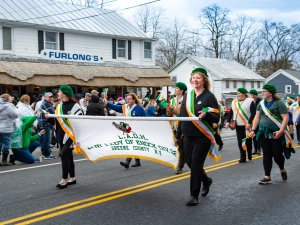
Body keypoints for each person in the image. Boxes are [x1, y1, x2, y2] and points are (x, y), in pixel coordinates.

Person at [176, 68, 220, 206]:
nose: (195, 80)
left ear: (204, 81)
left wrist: (206, 115)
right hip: (187, 135)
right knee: (189, 162)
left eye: (198, 78)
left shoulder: (209, 96)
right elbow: (182, 116)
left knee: (196, 164)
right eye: (193, 77)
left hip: (202, 136)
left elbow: (217, 117)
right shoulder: (188, 95)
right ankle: (206, 180)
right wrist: (178, 135)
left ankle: (193, 195)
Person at [249, 84, 293, 184]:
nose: (262, 93)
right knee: (267, 154)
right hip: (264, 132)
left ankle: (282, 168)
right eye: (262, 91)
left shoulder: (279, 103)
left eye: (264, 91)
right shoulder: (261, 104)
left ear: (271, 93)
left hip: (275, 132)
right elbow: (257, 117)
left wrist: (281, 131)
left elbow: (285, 118)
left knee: (277, 155)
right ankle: (267, 177)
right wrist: (253, 130)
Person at [47, 85, 83, 189]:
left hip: (71, 136)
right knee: (69, 157)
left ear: (65, 94)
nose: (57, 93)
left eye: (59, 92)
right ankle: (72, 178)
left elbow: (80, 122)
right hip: (60, 134)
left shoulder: (75, 106)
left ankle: (64, 180)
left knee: (63, 155)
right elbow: (56, 122)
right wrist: (49, 117)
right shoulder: (59, 106)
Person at [104, 93, 146, 168]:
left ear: (134, 100)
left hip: (137, 130)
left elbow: (145, 119)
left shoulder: (139, 109)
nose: (127, 100)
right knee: (133, 145)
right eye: (127, 99)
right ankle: (137, 161)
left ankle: (127, 162)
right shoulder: (125, 107)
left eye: (129, 99)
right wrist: (107, 103)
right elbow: (116, 107)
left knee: (131, 145)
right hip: (127, 130)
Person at [225, 88, 256, 163]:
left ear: (244, 94)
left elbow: (253, 113)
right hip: (238, 125)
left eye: (240, 93)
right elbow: (231, 112)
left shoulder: (250, 101)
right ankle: (243, 157)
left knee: (248, 140)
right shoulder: (234, 102)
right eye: (237, 93)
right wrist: (228, 121)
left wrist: (249, 122)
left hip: (247, 125)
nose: (238, 94)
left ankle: (249, 153)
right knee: (240, 141)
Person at [166, 82, 187, 174]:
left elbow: (181, 113)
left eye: (177, 88)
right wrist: (168, 111)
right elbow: (170, 114)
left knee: (181, 146)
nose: (174, 90)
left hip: (182, 126)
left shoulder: (186, 100)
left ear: (182, 90)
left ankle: (180, 165)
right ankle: (182, 160)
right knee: (178, 146)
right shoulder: (173, 100)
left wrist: (172, 110)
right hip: (174, 126)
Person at [0, 93, 18, 166]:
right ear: (7, 98)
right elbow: (15, 115)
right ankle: (4, 160)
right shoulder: (8, 106)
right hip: (6, 128)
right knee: (6, 144)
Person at [39, 92, 56, 159]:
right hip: (46, 123)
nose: (51, 98)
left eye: (52, 97)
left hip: (43, 123)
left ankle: (44, 153)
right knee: (47, 140)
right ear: (45, 97)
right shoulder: (46, 104)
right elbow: (52, 112)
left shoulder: (45, 103)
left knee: (43, 140)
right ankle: (47, 154)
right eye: (49, 97)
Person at [249, 89, 262, 155]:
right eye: (251, 95)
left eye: (254, 95)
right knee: (253, 135)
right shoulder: (248, 102)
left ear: (256, 95)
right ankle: (255, 149)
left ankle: (259, 148)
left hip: (259, 120)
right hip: (251, 121)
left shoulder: (260, 102)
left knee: (258, 134)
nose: (253, 96)